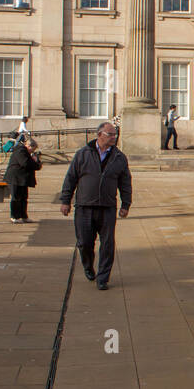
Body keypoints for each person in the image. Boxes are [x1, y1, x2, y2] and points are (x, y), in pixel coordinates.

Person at [58, 121, 132, 290]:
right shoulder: (83, 154)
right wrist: (65, 201)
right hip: (84, 206)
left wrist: (126, 204)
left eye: (115, 134)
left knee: (107, 244)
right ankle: (88, 266)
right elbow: (71, 178)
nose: (114, 137)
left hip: (107, 207)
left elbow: (125, 183)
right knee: (84, 242)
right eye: (110, 134)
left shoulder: (119, 157)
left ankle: (103, 278)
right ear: (99, 135)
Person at [3, 136, 41, 223]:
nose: (33, 151)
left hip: (21, 178)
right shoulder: (21, 151)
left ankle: (24, 216)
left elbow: (32, 164)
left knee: (23, 197)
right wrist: (36, 163)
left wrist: (36, 163)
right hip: (15, 178)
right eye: (33, 149)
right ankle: (14, 216)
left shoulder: (24, 152)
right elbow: (25, 163)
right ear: (29, 146)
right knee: (16, 197)